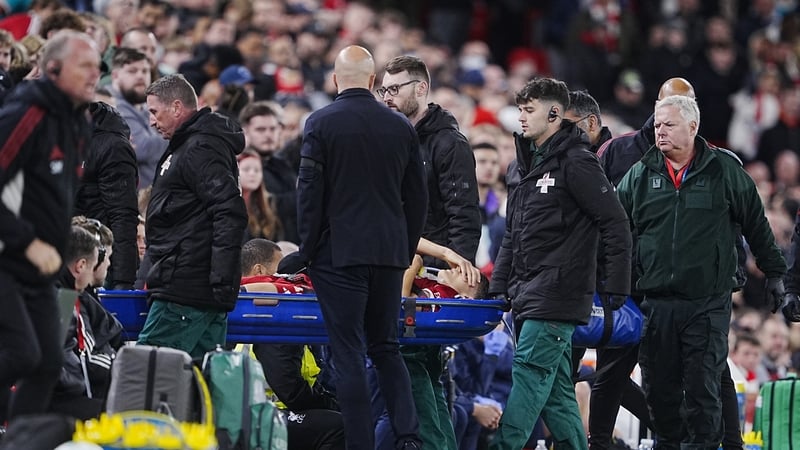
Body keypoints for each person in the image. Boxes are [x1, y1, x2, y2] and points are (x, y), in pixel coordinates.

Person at [616, 94, 788, 450]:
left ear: (692, 127)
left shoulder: (724, 170)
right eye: (657, 125)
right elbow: (615, 231)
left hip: (707, 302)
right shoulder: (640, 174)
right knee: (658, 388)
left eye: (669, 125)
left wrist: (775, 273)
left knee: (702, 386)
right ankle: (667, 443)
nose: (660, 131)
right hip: (656, 302)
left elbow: (756, 224)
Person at [592, 78, 745, 450]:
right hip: (629, 286)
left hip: (692, 290)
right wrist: (603, 276)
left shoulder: (715, 160)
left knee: (712, 369)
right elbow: (598, 216)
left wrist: (734, 270)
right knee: (613, 369)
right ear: (656, 106)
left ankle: (728, 443)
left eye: (688, 104)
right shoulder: (618, 151)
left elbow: (733, 222)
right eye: (671, 103)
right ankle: (603, 442)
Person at [488, 77, 632, 450]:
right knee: (555, 392)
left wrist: (616, 284)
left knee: (529, 376)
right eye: (520, 109)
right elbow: (513, 234)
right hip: (527, 292)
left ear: (554, 113)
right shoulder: (521, 167)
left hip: (558, 294)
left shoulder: (578, 162)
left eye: (529, 110)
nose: (521, 117)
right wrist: (499, 287)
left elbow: (615, 222)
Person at [297, 45, 428, 450]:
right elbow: (418, 198)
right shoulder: (401, 126)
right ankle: (408, 437)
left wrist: (306, 251)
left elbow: (309, 194)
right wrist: (404, 249)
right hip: (389, 254)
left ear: (336, 80)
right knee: (386, 347)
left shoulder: (320, 123)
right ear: (372, 81)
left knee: (349, 352)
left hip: (339, 254)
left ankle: (359, 444)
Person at [380, 54, 481, 450]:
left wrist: (453, 286)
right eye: (383, 89)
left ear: (421, 88)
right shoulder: (394, 137)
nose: (387, 97)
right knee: (423, 374)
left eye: (394, 88)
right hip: (402, 269)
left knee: (413, 367)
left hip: (431, 280)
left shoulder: (448, 143)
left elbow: (464, 217)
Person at [0, 29, 99, 421]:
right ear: (53, 68)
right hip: (9, 257)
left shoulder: (79, 121)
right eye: (84, 65)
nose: (95, 74)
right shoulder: (26, 114)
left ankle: (19, 443)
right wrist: (28, 242)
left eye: (97, 66)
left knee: (47, 363)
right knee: (21, 354)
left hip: (42, 267)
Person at [137, 73, 248, 359]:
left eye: (154, 112)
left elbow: (229, 210)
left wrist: (220, 279)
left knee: (146, 370)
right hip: (195, 287)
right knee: (203, 378)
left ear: (176, 107)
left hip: (186, 289)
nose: (151, 121)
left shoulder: (199, 148)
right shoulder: (190, 145)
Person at [238, 238, 346, 450]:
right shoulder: (276, 317)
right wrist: (333, 406)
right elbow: (289, 388)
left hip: (263, 409)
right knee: (340, 425)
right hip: (265, 411)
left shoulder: (258, 311)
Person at [74, 101, 139, 290]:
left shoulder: (112, 146)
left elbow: (123, 216)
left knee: (80, 308)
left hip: (98, 268)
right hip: (66, 262)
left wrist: (122, 282)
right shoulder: (62, 140)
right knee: (66, 309)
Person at [239, 101, 300, 243]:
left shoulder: (283, 164)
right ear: (245, 131)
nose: (268, 135)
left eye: (273, 129)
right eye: (260, 129)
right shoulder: (236, 166)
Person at [108, 47, 167, 189]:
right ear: (115, 75)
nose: (140, 76)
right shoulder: (111, 104)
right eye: (132, 71)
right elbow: (142, 148)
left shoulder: (142, 103)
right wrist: (177, 137)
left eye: (145, 71)